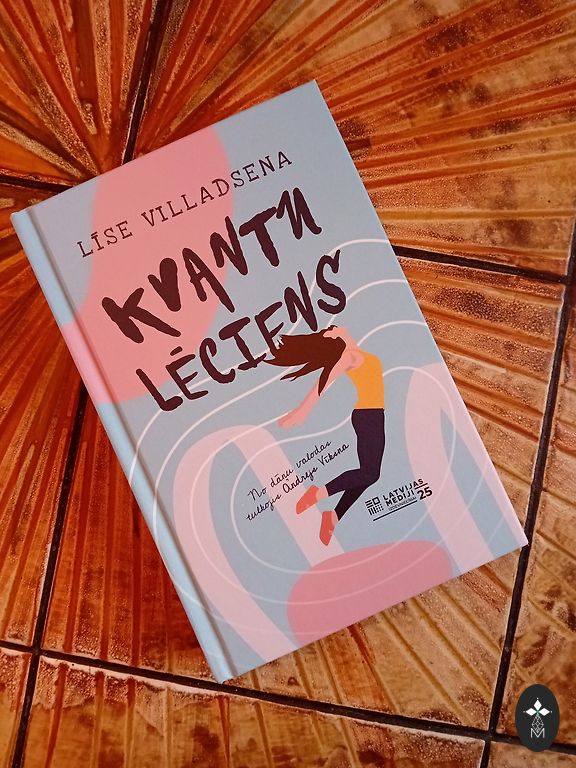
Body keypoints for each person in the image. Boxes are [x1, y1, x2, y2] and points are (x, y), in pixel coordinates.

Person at [268, 326, 385, 545]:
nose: (331, 328)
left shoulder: (357, 352)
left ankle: (332, 516)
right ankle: (318, 494)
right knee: (370, 473)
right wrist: (302, 410)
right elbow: (325, 381)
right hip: (368, 416)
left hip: (375, 415)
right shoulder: (349, 357)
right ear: (332, 338)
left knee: (370, 474)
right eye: (328, 331)